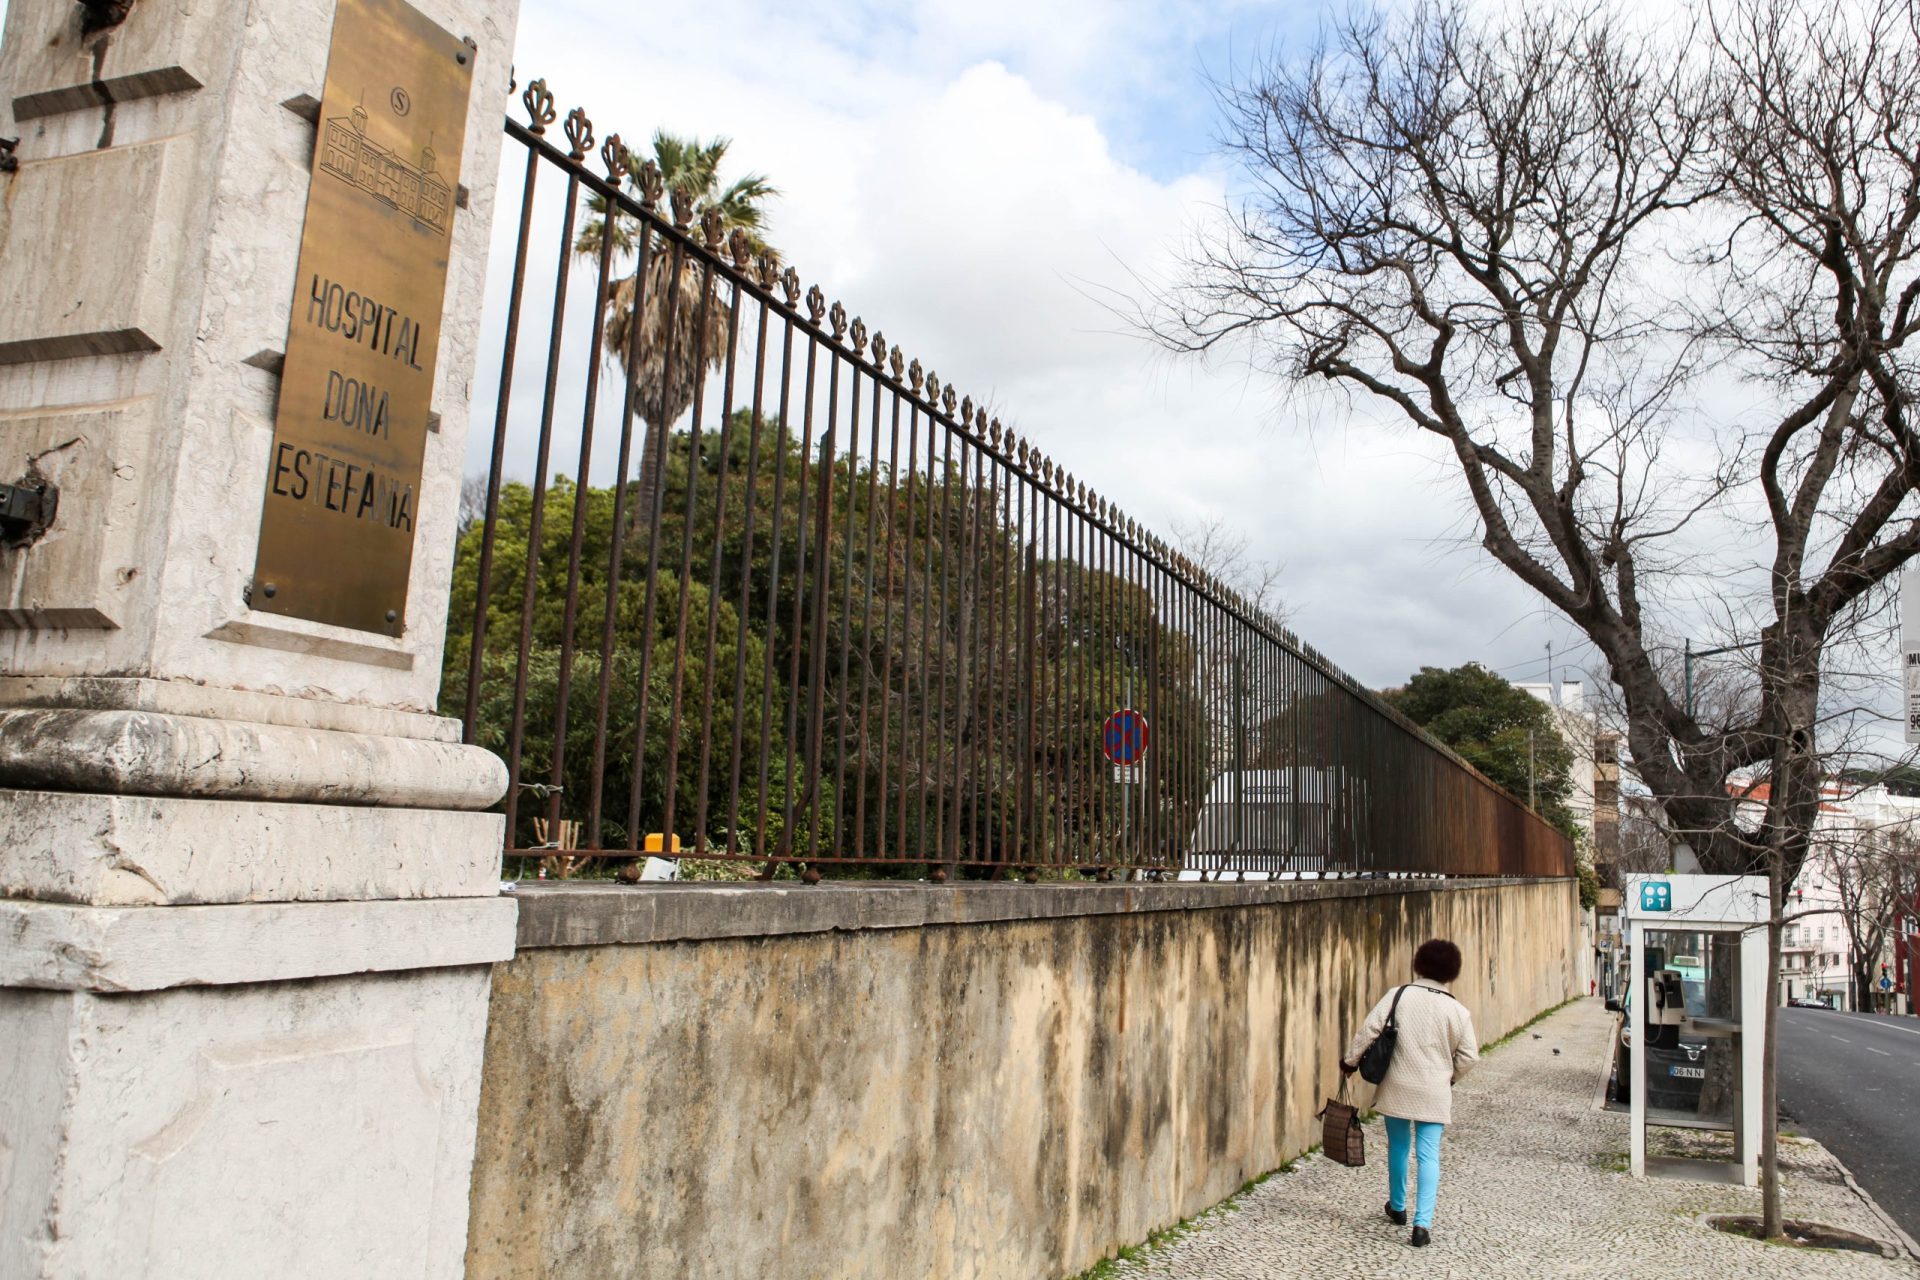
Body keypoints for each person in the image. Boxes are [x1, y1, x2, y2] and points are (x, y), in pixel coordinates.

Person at [1340, 938, 1480, 1248]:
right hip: (1435, 1090)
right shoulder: (1457, 1010)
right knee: (1429, 1154)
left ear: (1419, 964)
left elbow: (1369, 1031)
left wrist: (1348, 1062)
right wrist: (1451, 1077)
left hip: (1397, 1085)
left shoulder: (1398, 996)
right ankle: (1422, 1224)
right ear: (1451, 971)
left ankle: (1398, 1207)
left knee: (1399, 1146)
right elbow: (1470, 1056)